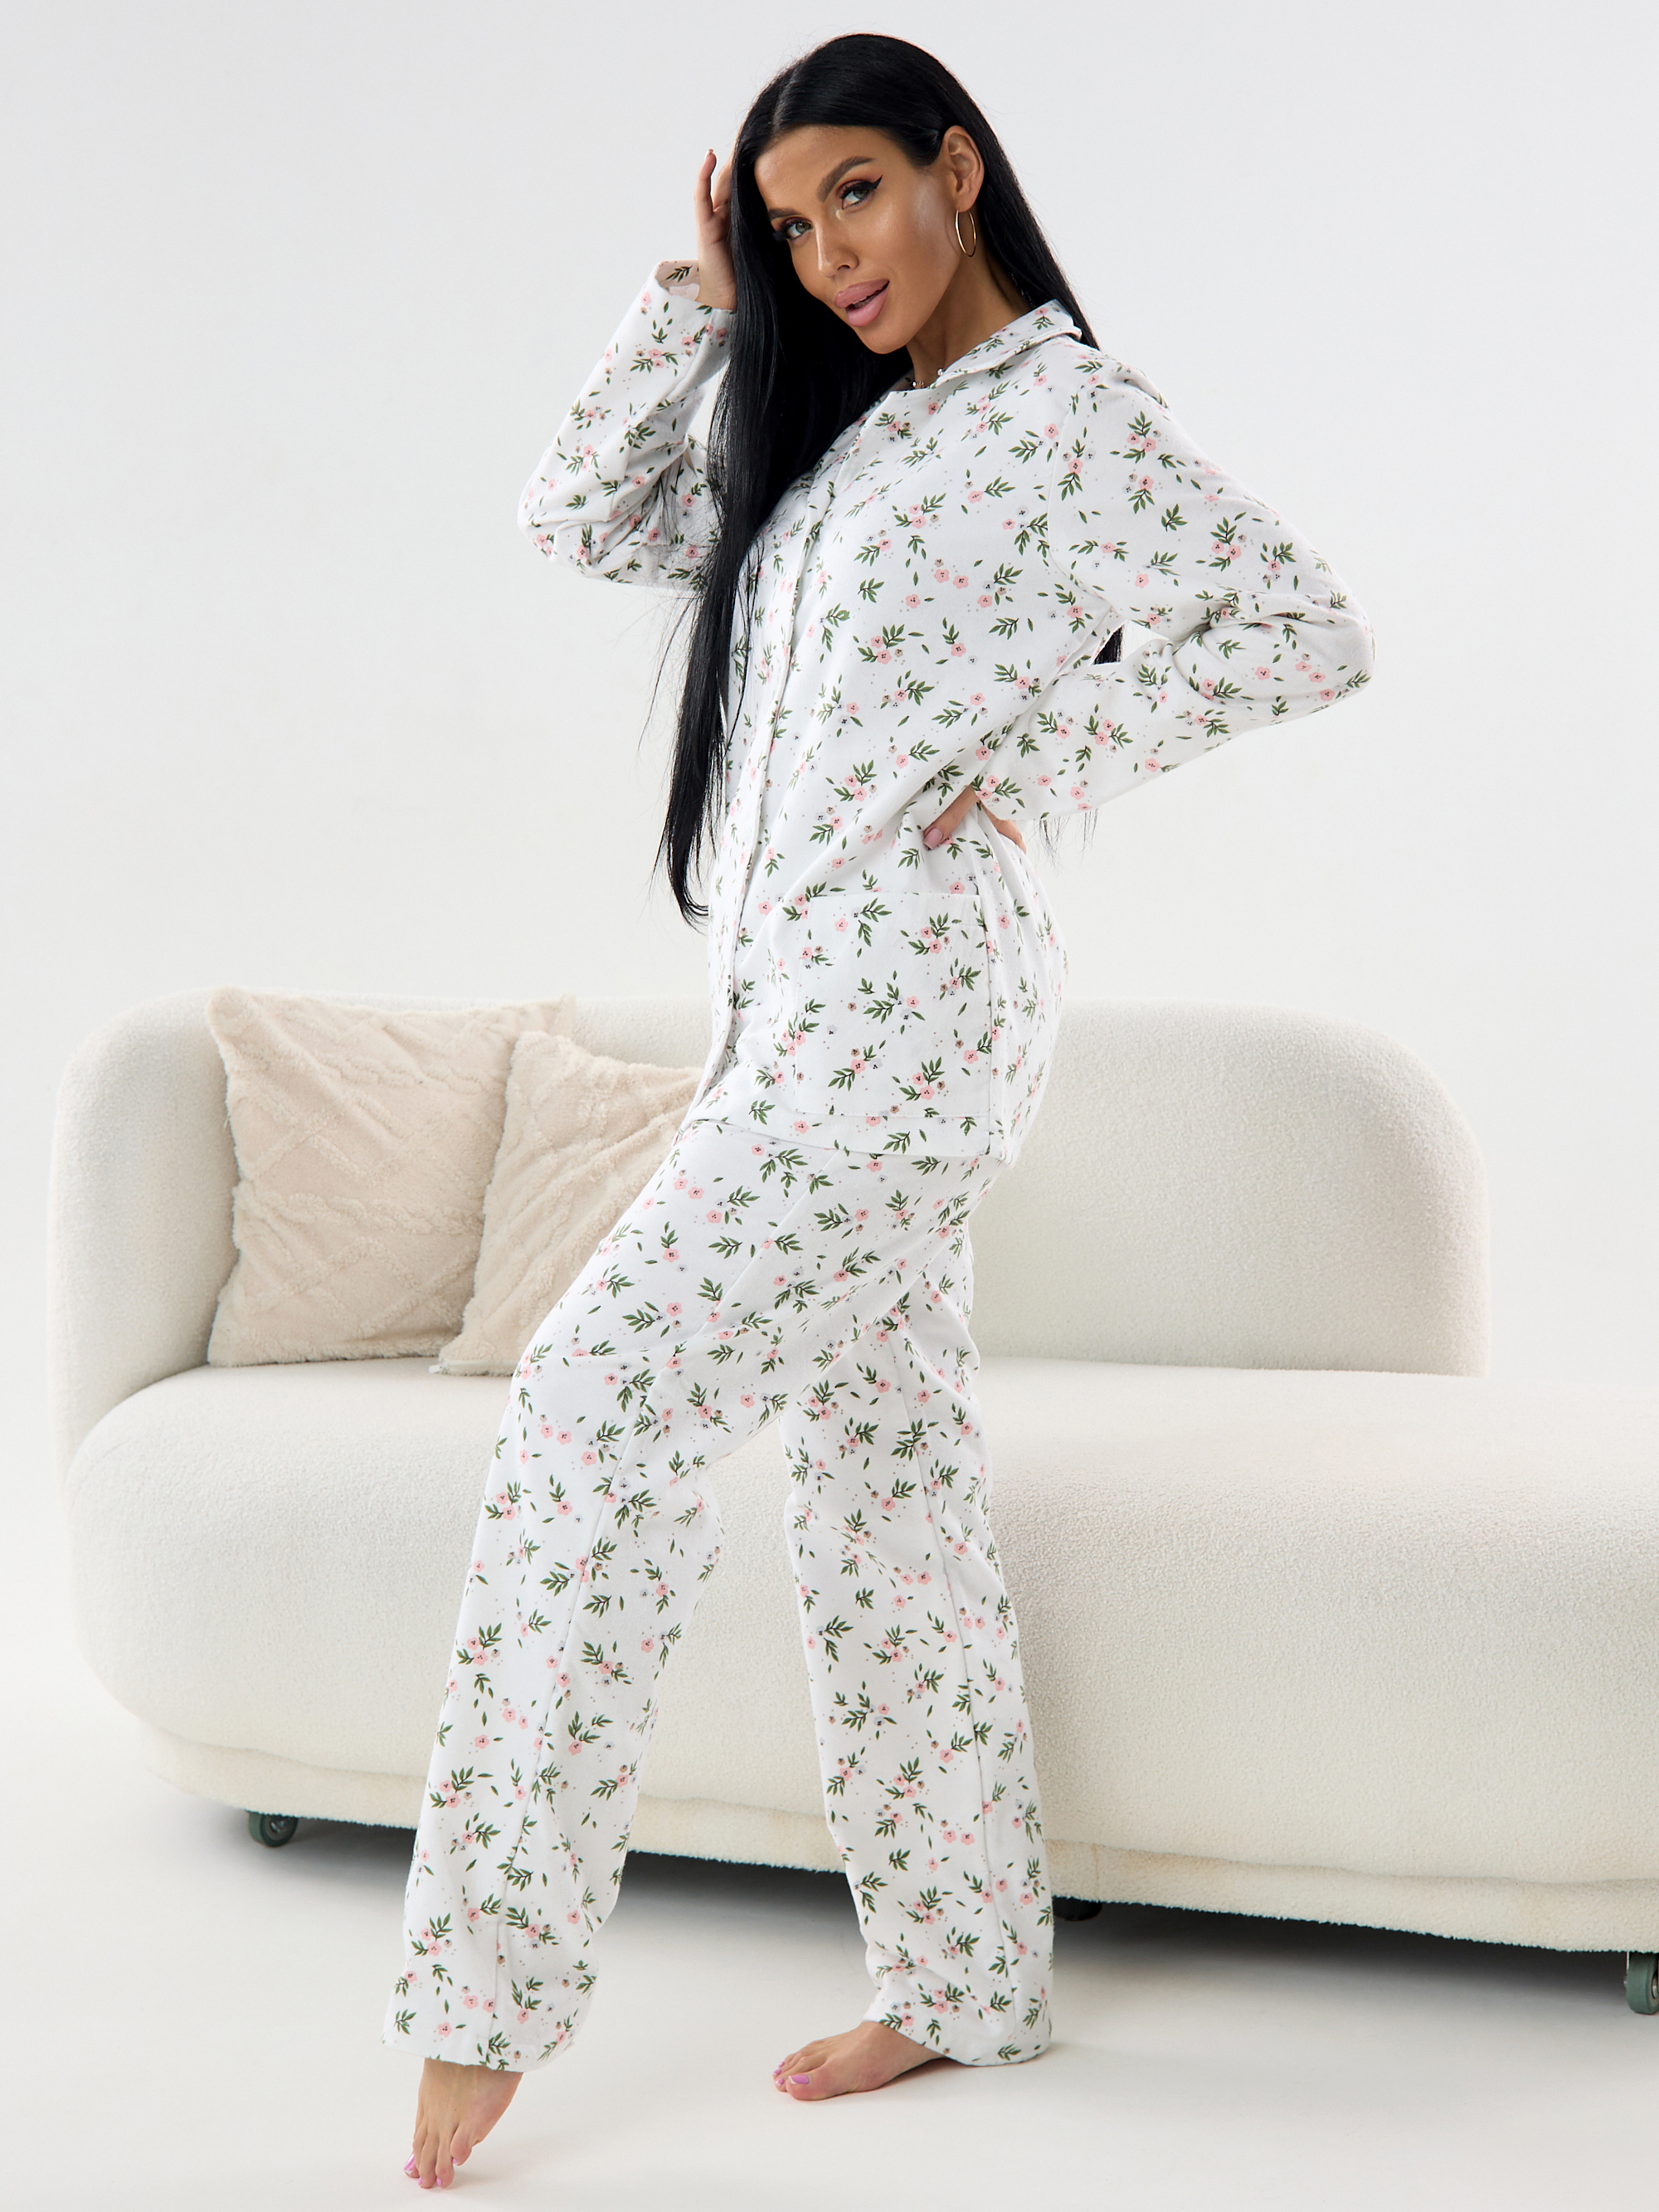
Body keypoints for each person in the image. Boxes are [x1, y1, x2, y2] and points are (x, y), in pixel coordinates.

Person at [392, 30, 1374, 2190]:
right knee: (885, 1496)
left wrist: (1037, 761)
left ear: (957, 171)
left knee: (591, 1408)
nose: (831, 253)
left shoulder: (1065, 423)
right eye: (791, 221)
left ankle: (481, 1998)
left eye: (856, 192)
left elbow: (1300, 627)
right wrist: (693, 299)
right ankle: (967, 1977)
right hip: (795, 1033)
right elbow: (576, 514)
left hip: (904, 1031)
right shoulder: (844, 452)